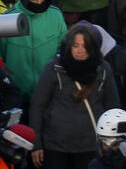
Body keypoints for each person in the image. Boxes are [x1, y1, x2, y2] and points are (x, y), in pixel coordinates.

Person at [30, 24, 119, 169]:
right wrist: (36, 144)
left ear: (92, 48)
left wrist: (111, 143)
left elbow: (113, 107)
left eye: (85, 46)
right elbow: (37, 106)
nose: (79, 50)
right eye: (75, 45)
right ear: (68, 46)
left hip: (91, 145)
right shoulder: (53, 68)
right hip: (56, 146)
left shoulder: (103, 69)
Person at [0, 0, 67, 102]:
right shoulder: (7, 19)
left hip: (48, 89)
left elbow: (63, 48)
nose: (39, 2)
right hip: (16, 91)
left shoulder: (56, 16)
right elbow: (2, 54)